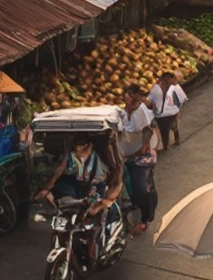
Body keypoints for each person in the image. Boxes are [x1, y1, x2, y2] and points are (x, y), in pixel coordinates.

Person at [34, 136, 123, 266]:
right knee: (63, 187)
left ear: (89, 147)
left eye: (82, 148)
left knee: (92, 209)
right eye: (77, 148)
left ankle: (94, 251)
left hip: (94, 185)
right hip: (75, 185)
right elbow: (58, 173)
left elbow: (100, 180)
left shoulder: (96, 158)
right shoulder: (70, 157)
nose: (79, 151)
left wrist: (93, 200)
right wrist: (46, 188)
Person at [116, 83, 158, 236]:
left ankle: (144, 219)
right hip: (124, 157)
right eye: (127, 98)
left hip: (139, 157)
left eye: (133, 99)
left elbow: (148, 129)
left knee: (141, 190)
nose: (130, 101)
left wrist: (143, 147)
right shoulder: (122, 111)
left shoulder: (140, 112)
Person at [148, 71, 187, 149]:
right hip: (161, 116)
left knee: (174, 126)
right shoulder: (156, 89)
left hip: (172, 112)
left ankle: (174, 140)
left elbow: (182, 98)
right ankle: (166, 145)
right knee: (165, 131)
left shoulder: (174, 87)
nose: (171, 81)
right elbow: (150, 100)